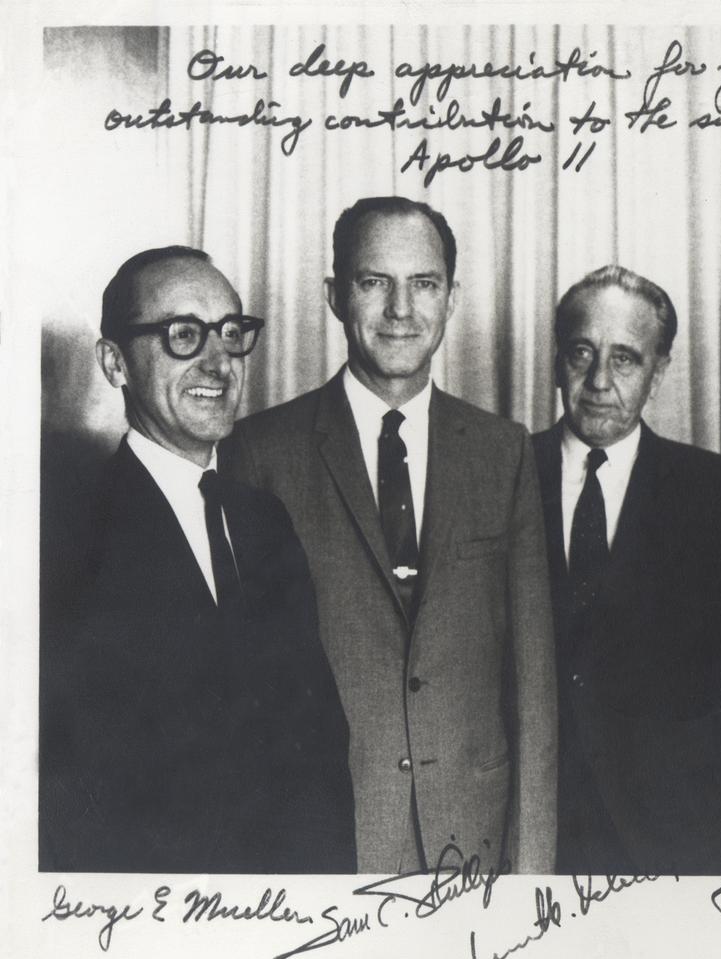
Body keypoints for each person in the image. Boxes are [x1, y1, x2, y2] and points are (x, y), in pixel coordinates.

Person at [224, 197, 556, 875]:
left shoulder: (505, 453)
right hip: (329, 844)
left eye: (424, 284)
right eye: (376, 282)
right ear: (336, 297)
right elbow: (242, 695)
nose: (401, 309)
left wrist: (532, 874)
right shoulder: (259, 453)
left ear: (452, 298)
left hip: (477, 847)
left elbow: (534, 686)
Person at [40, 246, 355, 873]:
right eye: (183, 335)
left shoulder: (266, 521)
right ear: (114, 363)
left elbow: (318, 745)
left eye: (231, 334)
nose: (218, 362)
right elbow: (70, 793)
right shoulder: (68, 541)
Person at [531, 266, 721, 875]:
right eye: (582, 353)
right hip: (532, 830)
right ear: (557, 360)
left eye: (626, 359)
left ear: (659, 371)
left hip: (670, 832)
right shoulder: (503, 473)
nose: (599, 381)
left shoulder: (715, 491)